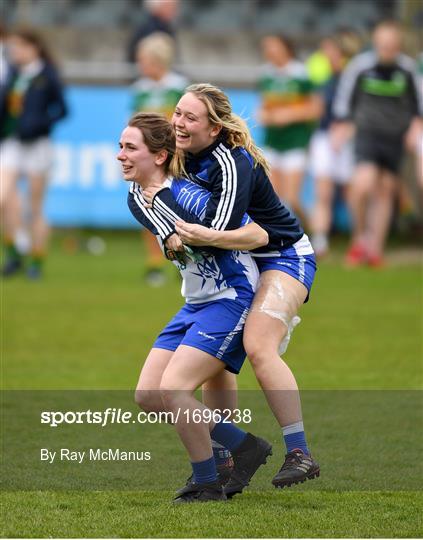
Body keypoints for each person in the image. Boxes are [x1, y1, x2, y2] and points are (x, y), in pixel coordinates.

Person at [142, 83, 320, 494]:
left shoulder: (231, 159)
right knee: (214, 359)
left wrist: (179, 230)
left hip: (282, 255)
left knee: (259, 344)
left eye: (190, 117)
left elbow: (220, 228)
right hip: (240, 260)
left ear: (216, 127)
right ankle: (226, 460)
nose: (179, 123)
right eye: (178, 113)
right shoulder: (181, 157)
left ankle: (299, 451)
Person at [120, 112, 272, 503]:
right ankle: (242, 446)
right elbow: (161, 223)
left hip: (231, 296)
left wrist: (187, 230)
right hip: (195, 302)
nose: (120, 155)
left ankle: (207, 479)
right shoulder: (137, 197)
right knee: (148, 396)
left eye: (130, 147)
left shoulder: (186, 189)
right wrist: (170, 232)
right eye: (120, 147)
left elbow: (248, 233)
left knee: (174, 390)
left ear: (158, 156)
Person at [332, 20, 423, 267]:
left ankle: (375, 249)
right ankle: (359, 238)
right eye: (383, 45)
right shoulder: (361, 67)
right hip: (367, 134)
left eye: (392, 45)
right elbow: (345, 98)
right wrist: (341, 124)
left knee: (385, 190)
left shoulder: (407, 69)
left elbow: (417, 104)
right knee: (362, 184)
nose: (387, 49)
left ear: (398, 45)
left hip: (394, 138)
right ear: (375, 43)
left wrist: (416, 126)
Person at [0, 28, 67, 279]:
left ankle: (36, 261)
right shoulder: (13, 73)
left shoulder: (46, 74)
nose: (15, 51)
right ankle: (14, 252)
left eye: (19, 46)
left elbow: (61, 110)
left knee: (34, 207)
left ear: (33, 47)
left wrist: (40, 123)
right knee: (3, 198)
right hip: (12, 143)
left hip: (38, 145)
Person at [131, 31, 188, 286]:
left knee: (181, 208)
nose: (140, 64)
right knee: (148, 207)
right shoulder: (140, 90)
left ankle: (185, 256)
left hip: (175, 157)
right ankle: (154, 263)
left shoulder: (179, 87)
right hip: (148, 160)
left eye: (143, 59)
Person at [257, 34, 322, 222]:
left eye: (273, 46)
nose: (269, 51)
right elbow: (264, 106)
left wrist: (289, 116)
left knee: (292, 199)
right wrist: (265, 116)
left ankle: (309, 226)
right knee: (274, 197)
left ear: (286, 48)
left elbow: (315, 109)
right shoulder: (266, 75)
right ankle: (284, 238)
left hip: (295, 142)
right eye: (267, 47)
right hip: (272, 142)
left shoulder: (301, 74)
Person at [309, 31, 361, 257]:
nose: (326, 54)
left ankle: (359, 239)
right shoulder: (325, 81)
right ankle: (320, 240)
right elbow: (317, 110)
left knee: (352, 192)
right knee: (323, 191)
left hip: (348, 141)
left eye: (329, 49)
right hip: (324, 139)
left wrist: (347, 130)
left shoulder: (354, 78)